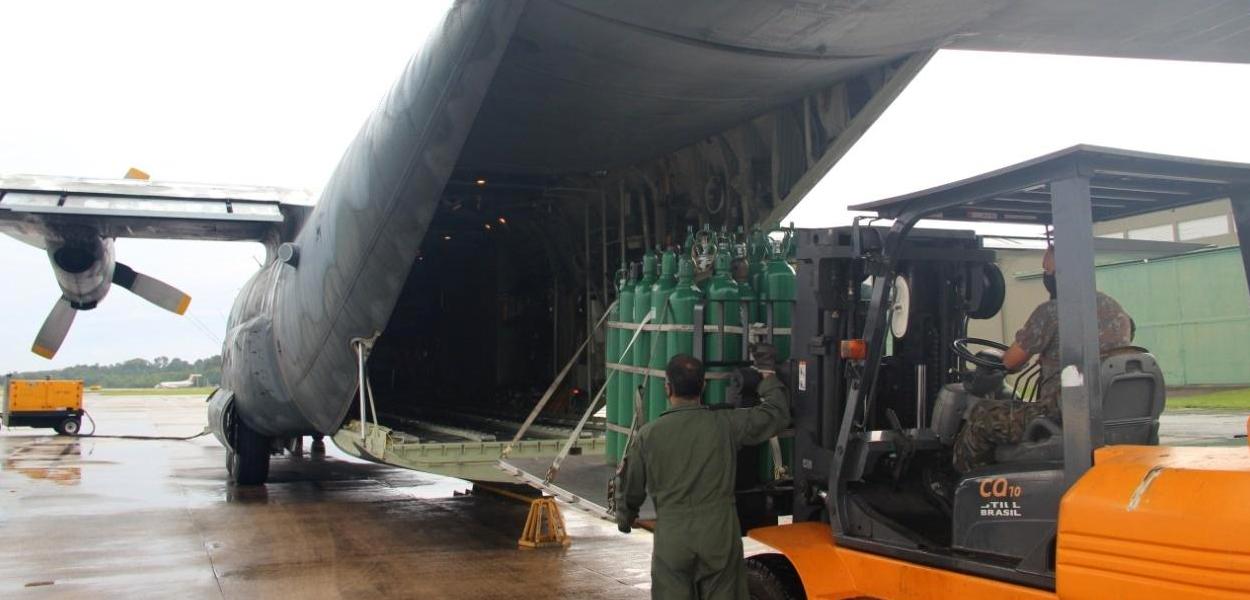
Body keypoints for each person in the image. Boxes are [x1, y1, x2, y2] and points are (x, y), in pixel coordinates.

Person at [616, 348, 790, 600]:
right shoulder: (725, 424)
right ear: (703, 386)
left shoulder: (648, 436)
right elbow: (776, 415)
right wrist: (768, 375)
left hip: (672, 538)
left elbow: (631, 487)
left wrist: (626, 517)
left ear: (667, 388)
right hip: (718, 535)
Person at [952, 246, 1134, 473]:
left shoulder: (1051, 312)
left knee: (981, 414)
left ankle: (969, 488)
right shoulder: (1116, 310)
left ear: (1060, 274)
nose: (1046, 276)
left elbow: (1010, 361)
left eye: (1048, 271)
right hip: (1102, 410)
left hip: (1059, 413)